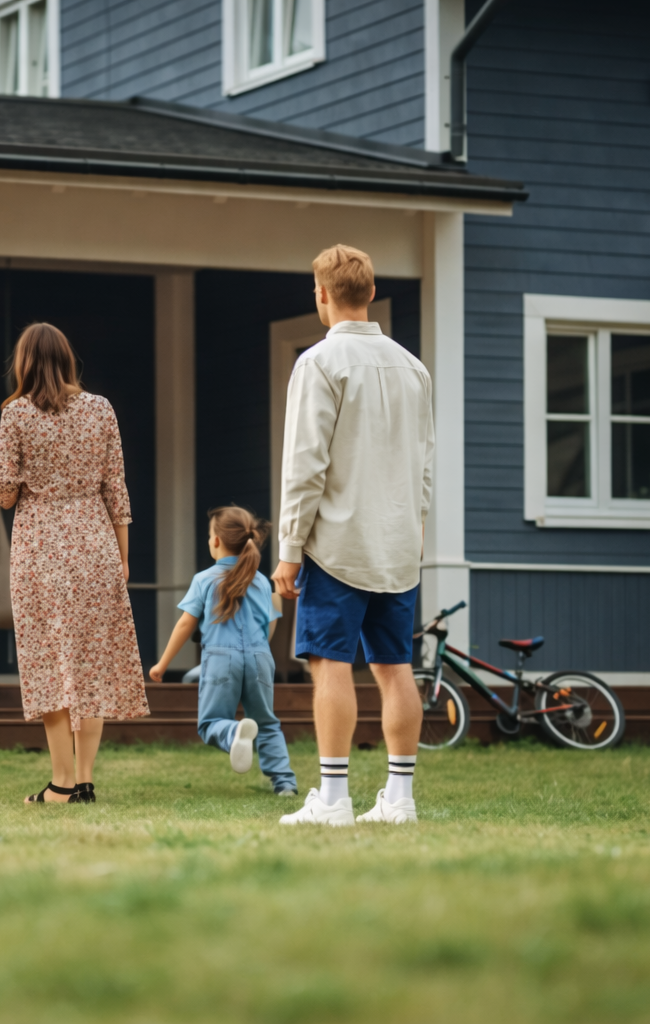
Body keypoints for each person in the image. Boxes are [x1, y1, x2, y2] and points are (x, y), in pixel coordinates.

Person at [272, 244, 434, 828]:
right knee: (396, 667)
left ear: (321, 295)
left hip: (336, 545)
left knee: (329, 664)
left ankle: (334, 800)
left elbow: (305, 466)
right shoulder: (414, 367)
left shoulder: (318, 363)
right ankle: (400, 799)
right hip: (398, 547)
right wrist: (414, 535)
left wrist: (289, 550)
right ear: (369, 293)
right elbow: (424, 466)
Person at [0, 323, 150, 804]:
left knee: (48, 664)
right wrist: (121, 560)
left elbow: (8, 496)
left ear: (24, 363)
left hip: (40, 549)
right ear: (68, 360)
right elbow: (116, 491)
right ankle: (85, 780)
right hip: (95, 543)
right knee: (90, 667)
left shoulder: (15, 414)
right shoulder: (101, 409)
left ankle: (60, 784)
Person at [150, 506, 297, 796]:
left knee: (210, 724)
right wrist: (258, 651)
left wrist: (162, 665)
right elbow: (269, 624)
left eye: (209, 536)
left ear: (216, 540)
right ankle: (285, 784)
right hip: (259, 657)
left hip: (220, 659)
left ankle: (232, 733)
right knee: (267, 723)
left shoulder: (205, 579)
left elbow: (184, 625)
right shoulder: (259, 580)